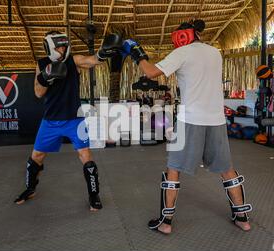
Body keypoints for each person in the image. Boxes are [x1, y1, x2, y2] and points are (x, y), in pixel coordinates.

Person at [121, 20, 253, 233]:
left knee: (173, 169)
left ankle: (165, 223)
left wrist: (137, 54)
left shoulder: (182, 53)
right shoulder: (214, 53)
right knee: (227, 170)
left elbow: (151, 72)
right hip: (216, 120)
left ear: (180, 37)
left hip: (190, 119)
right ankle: (242, 218)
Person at [14, 31, 123, 211]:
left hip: (75, 119)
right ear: (49, 46)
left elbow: (92, 60)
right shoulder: (41, 64)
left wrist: (103, 53)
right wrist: (46, 77)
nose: (62, 49)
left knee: (86, 156)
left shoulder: (73, 60)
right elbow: (38, 92)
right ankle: (30, 189)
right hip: (50, 121)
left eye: (64, 45)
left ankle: (94, 195)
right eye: (58, 46)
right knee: (36, 158)